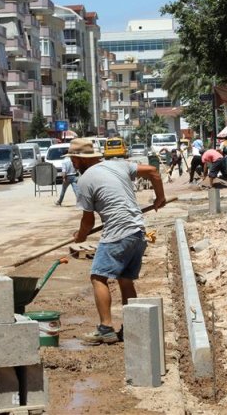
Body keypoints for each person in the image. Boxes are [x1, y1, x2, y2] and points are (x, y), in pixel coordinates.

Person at [67, 138, 166, 345]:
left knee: (98, 277)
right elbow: (153, 172)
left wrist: (80, 238)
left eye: (73, 159)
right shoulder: (118, 164)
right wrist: (160, 198)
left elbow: (88, 221)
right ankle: (132, 325)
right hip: (139, 232)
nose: (73, 163)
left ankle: (105, 328)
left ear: (79, 160)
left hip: (118, 233)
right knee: (124, 278)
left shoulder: (84, 180)